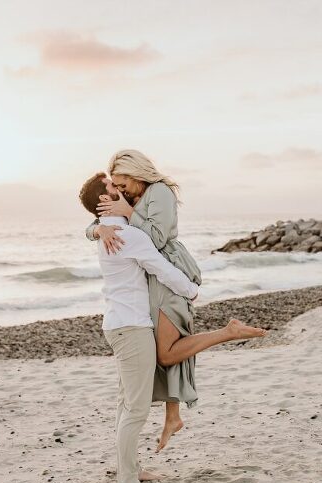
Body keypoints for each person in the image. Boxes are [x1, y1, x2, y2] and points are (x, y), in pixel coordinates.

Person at [86, 149, 266, 452]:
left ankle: (228, 333)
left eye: (123, 184)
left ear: (136, 174)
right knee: (164, 347)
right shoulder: (129, 199)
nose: (121, 191)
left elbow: (154, 239)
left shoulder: (160, 192)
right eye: (116, 186)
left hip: (167, 268)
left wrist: (127, 214)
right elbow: (100, 219)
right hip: (152, 274)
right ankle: (173, 415)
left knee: (167, 352)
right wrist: (98, 228)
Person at [79, 172, 199, 483]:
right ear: (105, 201)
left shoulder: (111, 232)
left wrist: (95, 228)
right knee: (136, 409)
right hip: (132, 327)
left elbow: (93, 230)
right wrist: (190, 290)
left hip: (119, 324)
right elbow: (163, 268)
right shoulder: (128, 234)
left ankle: (129, 468)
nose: (121, 189)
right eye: (113, 187)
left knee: (125, 402)